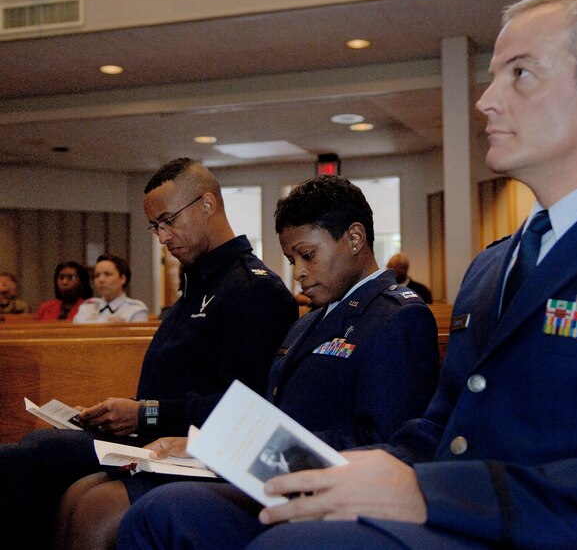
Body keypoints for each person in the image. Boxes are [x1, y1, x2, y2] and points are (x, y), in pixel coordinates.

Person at [119, 0, 577, 550]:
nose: (487, 100)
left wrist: (424, 492)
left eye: (520, 74)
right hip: (459, 512)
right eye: (493, 77)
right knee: (169, 513)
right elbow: (438, 429)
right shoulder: (494, 265)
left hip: (561, 531)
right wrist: (328, 469)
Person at [59, 174, 439, 549]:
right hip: (271, 477)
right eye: (291, 259)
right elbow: (273, 412)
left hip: (324, 497)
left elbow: (384, 447)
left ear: (354, 238)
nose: (298, 272)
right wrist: (206, 444)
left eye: (307, 255)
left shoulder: (396, 317)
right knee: (86, 493)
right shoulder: (309, 321)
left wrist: (252, 450)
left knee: (138, 509)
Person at [0, 157, 298, 549]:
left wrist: (145, 412)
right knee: (20, 452)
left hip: (186, 445)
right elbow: (174, 383)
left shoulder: (252, 289)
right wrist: (121, 413)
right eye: (155, 226)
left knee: (39, 452)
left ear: (207, 205)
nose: (162, 237)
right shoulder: (197, 283)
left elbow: (244, 406)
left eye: (169, 221)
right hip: (151, 433)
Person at [73, 254, 149, 323]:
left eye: (107, 274)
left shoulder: (135, 310)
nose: (101, 280)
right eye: (97, 275)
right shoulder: (86, 307)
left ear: (122, 278)